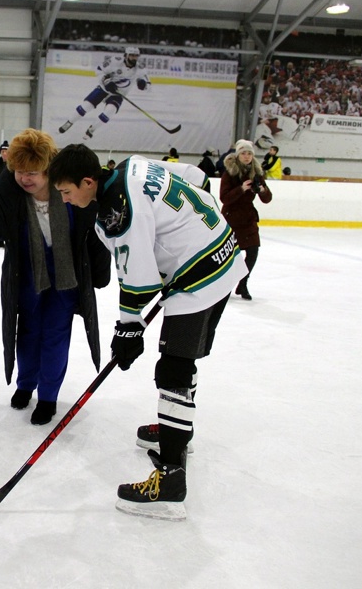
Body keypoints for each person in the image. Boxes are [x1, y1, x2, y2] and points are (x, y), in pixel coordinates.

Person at [48, 145, 247, 521]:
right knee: (180, 366)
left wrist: (127, 331)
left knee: (173, 370)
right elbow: (196, 178)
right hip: (222, 253)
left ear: (88, 182)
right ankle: (178, 430)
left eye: (67, 192)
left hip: (201, 280)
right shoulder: (132, 166)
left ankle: (170, 480)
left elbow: (137, 280)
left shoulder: (116, 210)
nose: (65, 200)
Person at [0, 129, 111, 426]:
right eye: (19, 172)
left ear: (48, 169)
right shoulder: (8, 187)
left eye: (33, 173)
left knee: (55, 336)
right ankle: (25, 384)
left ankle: (49, 395)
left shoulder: (68, 186)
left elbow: (94, 233)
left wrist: (100, 274)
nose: (25, 179)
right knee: (27, 333)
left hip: (66, 276)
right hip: (27, 272)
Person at [57, 47, 150, 140]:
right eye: (132, 55)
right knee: (85, 107)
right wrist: (106, 81)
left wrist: (144, 85)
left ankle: (91, 130)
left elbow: (148, 85)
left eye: (136, 56)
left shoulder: (140, 69)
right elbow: (99, 70)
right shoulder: (115, 61)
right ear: (126, 56)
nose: (134, 58)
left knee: (109, 112)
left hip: (118, 94)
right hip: (103, 89)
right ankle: (69, 122)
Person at [219, 139, 273, 301]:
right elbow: (224, 198)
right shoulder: (229, 173)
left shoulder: (256, 172)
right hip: (232, 219)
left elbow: (267, 199)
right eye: (243, 153)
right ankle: (224, 286)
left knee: (253, 251)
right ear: (238, 155)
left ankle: (243, 284)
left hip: (248, 218)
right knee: (229, 256)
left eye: (249, 153)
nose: (247, 156)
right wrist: (241, 189)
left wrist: (262, 190)